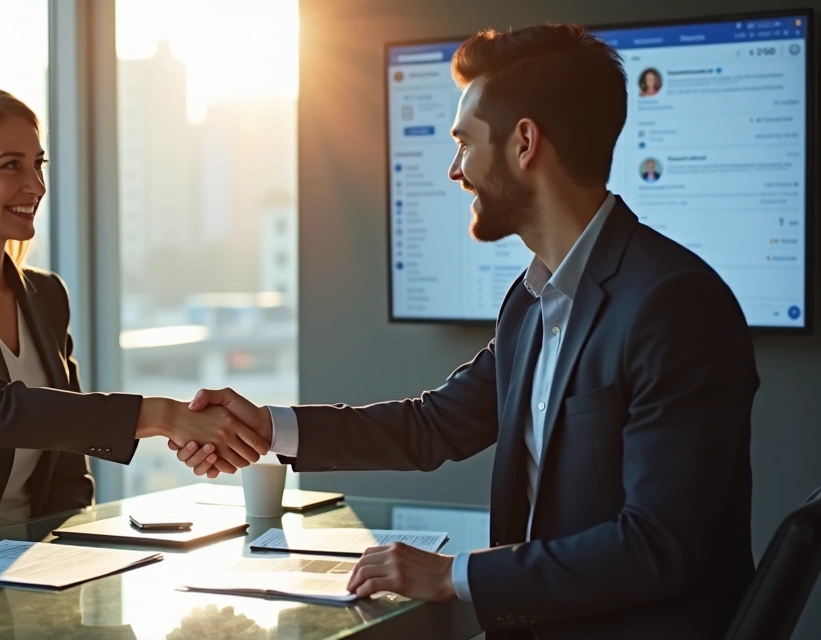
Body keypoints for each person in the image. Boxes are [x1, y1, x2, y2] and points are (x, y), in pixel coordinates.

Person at [172, 24, 758, 639]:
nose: (456, 170)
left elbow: (657, 546)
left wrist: (454, 576)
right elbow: (432, 427)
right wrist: (269, 427)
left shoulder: (672, 305)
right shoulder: (531, 302)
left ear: (524, 143)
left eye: (464, 144)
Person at [0, 85, 270, 555]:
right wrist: (166, 416)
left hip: (30, 560)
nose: (36, 186)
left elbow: (68, 460)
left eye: (38, 164)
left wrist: (71, 551)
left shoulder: (45, 295)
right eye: (11, 165)